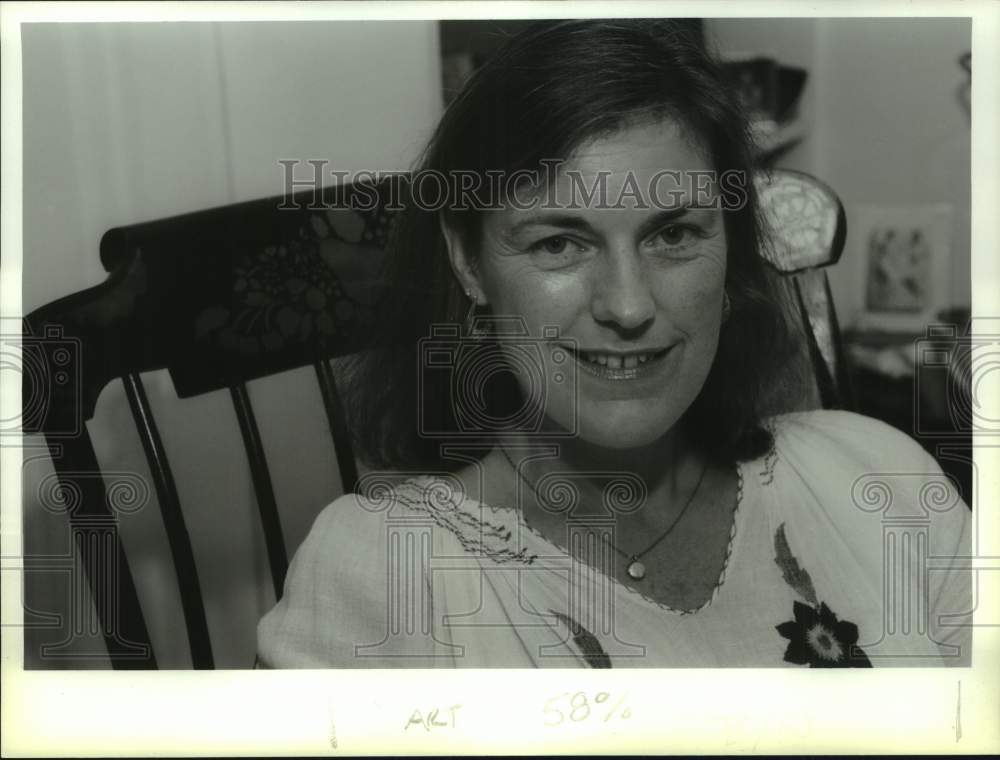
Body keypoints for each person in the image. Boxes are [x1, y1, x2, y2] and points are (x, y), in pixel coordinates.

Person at [256, 20, 971, 668]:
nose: (628, 306)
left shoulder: (881, 480)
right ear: (469, 262)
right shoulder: (383, 573)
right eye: (559, 243)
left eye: (673, 234)